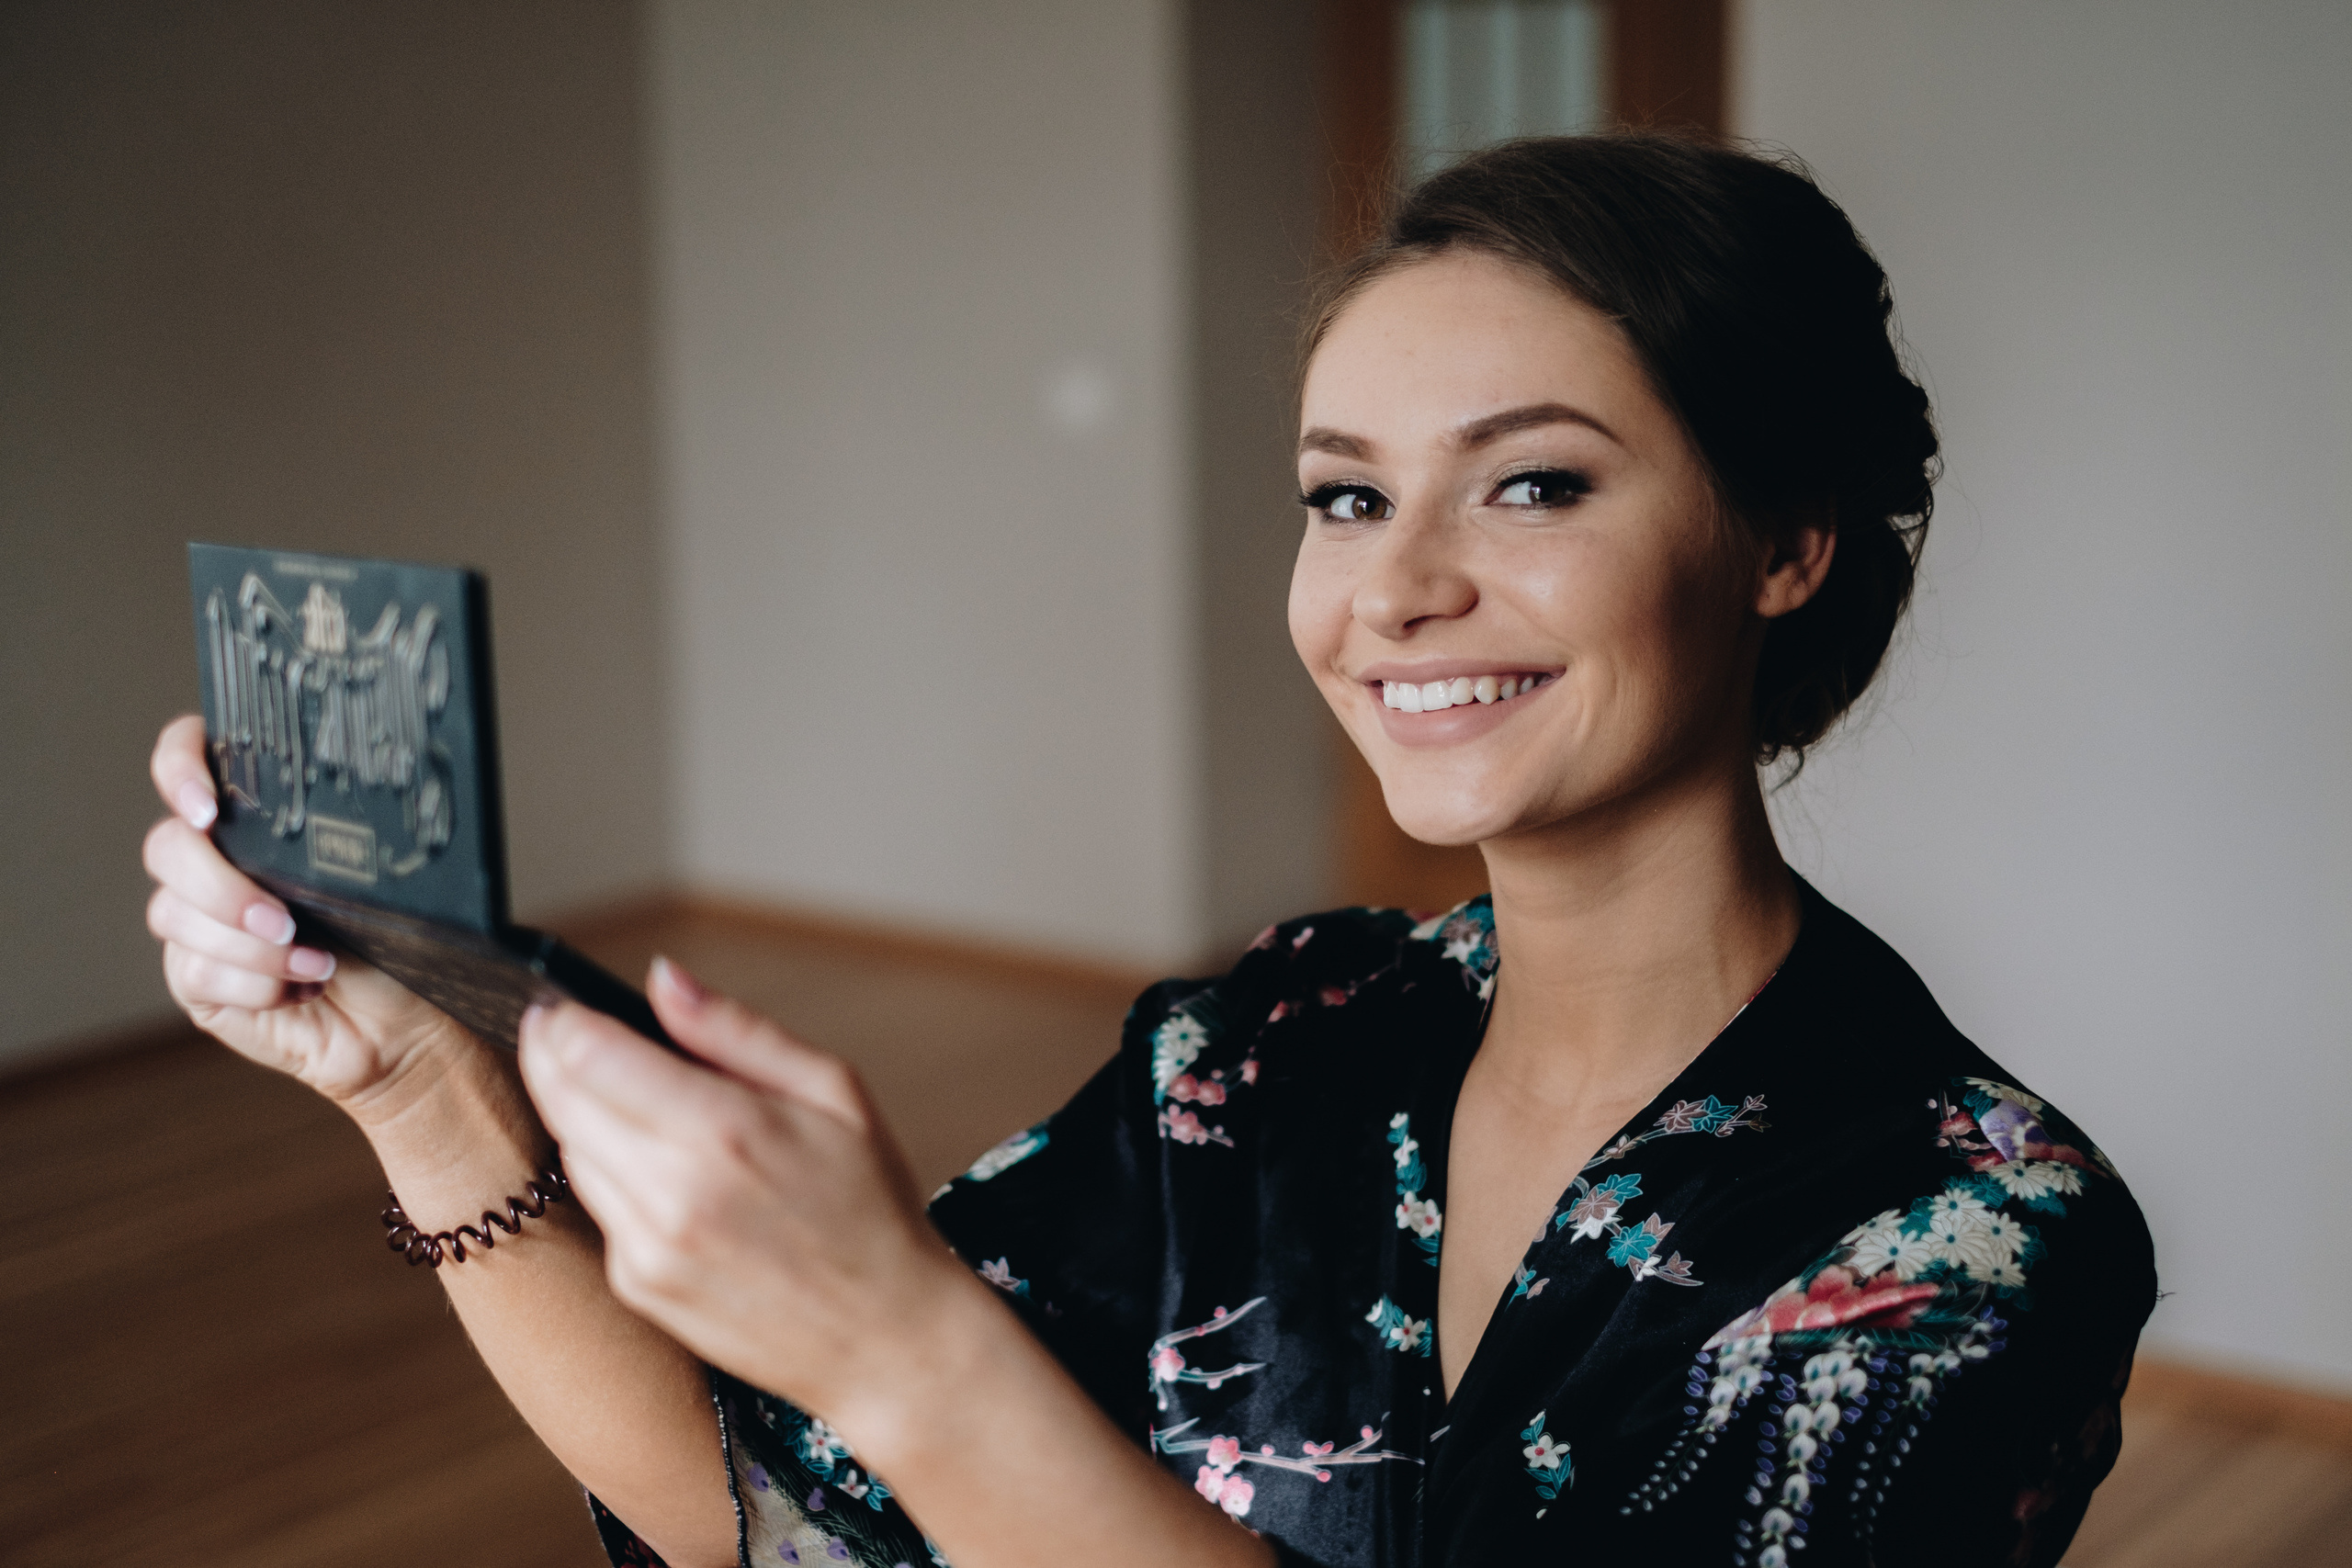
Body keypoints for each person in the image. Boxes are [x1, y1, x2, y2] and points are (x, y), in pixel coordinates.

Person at [141, 133, 2155, 1568]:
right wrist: (423, 1095)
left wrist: (911, 1348)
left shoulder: (1959, 1239)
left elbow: (919, 1412)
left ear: (1783, 540)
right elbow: (761, 1514)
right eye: (1342, 499)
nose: (1400, 591)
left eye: (1530, 481)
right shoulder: (1269, 1040)